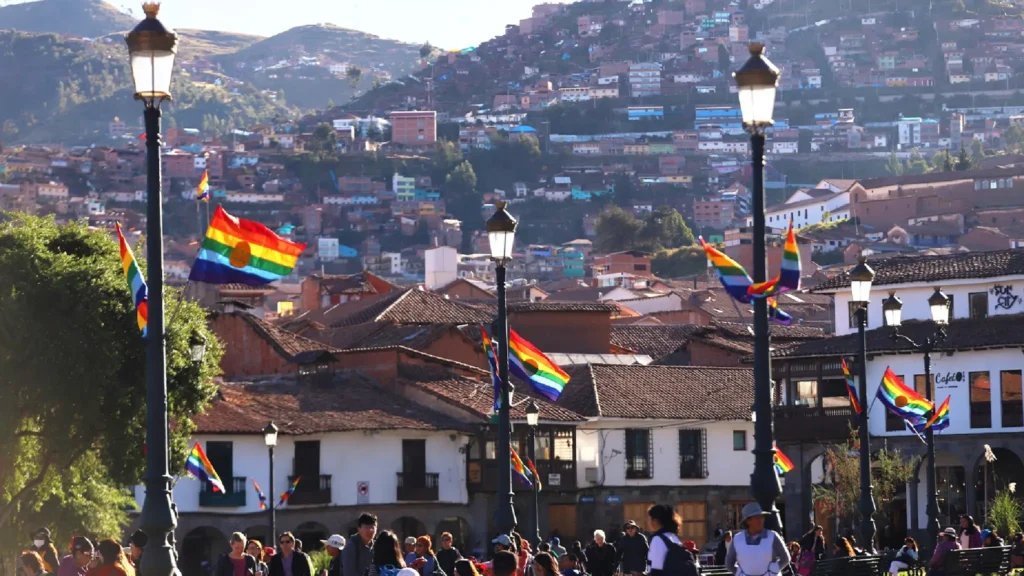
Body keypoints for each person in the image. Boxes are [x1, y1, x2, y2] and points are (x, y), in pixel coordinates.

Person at [724, 503, 790, 576]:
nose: (761, 520)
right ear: (748, 521)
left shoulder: (773, 536)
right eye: (757, 518)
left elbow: (785, 558)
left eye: (762, 517)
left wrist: (774, 570)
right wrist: (740, 572)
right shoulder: (737, 539)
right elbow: (729, 563)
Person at [646, 504, 696, 576]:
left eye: (649, 518)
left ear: (655, 520)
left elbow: (656, 570)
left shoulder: (657, 539)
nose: (648, 522)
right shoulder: (673, 537)